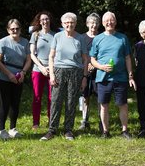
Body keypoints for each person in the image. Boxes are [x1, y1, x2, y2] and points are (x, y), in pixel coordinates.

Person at [40, 12, 88, 141]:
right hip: (59, 71)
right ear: (62, 24)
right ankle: (52, 130)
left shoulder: (80, 38)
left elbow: (85, 59)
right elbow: (51, 56)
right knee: (56, 101)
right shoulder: (57, 36)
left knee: (71, 101)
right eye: (66, 22)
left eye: (71, 22)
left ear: (75, 23)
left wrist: (84, 77)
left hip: (75, 72)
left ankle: (68, 130)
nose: (69, 24)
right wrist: (52, 75)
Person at [89, 11, 136, 139]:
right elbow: (92, 59)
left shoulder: (122, 38)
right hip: (103, 78)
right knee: (104, 105)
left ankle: (124, 130)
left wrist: (130, 75)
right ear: (103, 23)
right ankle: (105, 131)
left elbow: (127, 58)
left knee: (123, 104)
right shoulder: (97, 39)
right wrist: (101, 67)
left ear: (115, 22)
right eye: (106, 21)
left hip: (120, 77)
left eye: (111, 20)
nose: (109, 22)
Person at [0, 19, 32, 140]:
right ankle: (1, 130)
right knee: (4, 103)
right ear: (8, 30)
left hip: (19, 76)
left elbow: (28, 59)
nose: (15, 31)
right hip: (3, 76)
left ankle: (13, 128)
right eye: (12, 29)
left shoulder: (25, 42)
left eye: (17, 28)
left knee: (15, 103)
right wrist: (9, 74)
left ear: (20, 30)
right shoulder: (3, 41)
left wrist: (23, 72)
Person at [29, 11, 55, 130]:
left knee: (52, 97)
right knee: (37, 97)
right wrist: (42, 67)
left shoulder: (55, 36)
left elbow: (57, 54)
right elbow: (32, 54)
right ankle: (35, 123)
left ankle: (51, 122)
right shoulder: (35, 35)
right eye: (42, 19)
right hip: (38, 70)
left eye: (47, 19)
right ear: (39, 22)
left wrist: (50, 67)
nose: (45, 21)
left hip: (52, 70)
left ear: (50, 20)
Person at [79, 13, 102, 131]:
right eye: (92, 22)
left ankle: (101, 120)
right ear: (87, 24)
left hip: (99, 71)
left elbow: (103, 54)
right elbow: (80, 54)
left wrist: (94, 64)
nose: (94, 25)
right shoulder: (82, 38)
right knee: (85, 96)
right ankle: (84, 119)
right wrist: (86, 65)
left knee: (99, 96)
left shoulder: (102, 37)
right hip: (85, 72)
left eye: (96, 23)